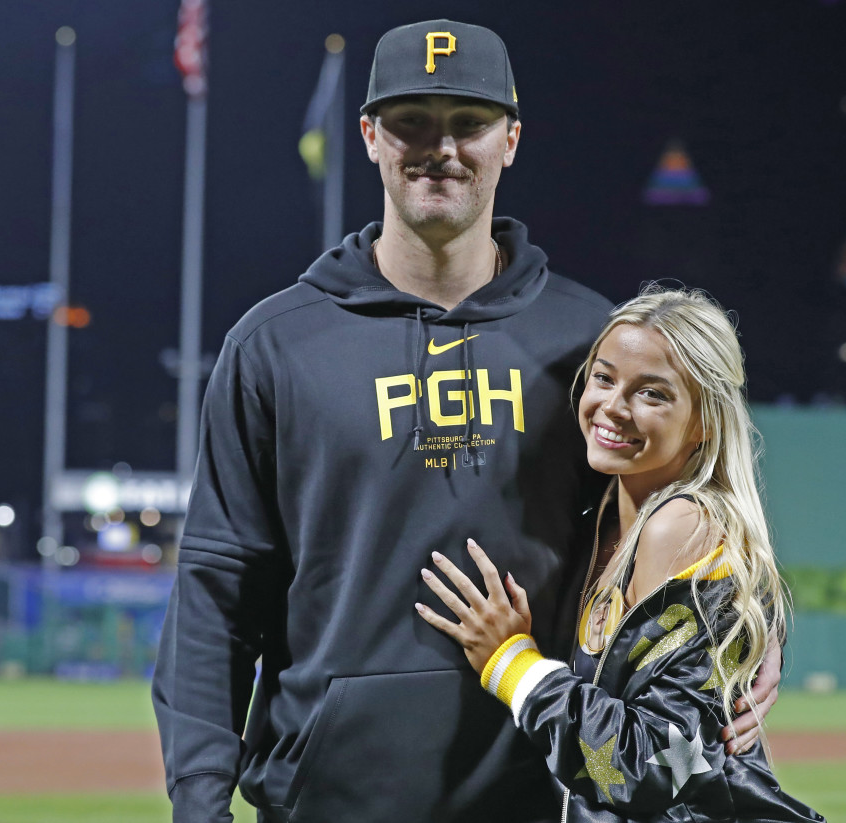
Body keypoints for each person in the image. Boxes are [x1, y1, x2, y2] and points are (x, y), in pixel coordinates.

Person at [153, 21, 778, 823]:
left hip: (541, 795)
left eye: (468, 123)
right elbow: (215, 596)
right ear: (371, 136)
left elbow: (693, 514)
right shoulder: (276, 345)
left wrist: (742, 642)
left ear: (510, 141)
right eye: (413, 120)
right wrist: (198, 806)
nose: (440, 147)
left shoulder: (591, 343)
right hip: (329, 802)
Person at [418, 288, 822, 821]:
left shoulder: (679, 526)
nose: (613, 406)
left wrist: (511, 663)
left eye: (652, 394)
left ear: (705, 420)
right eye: (604, 378)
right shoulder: (610, 512)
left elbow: (650, 767)